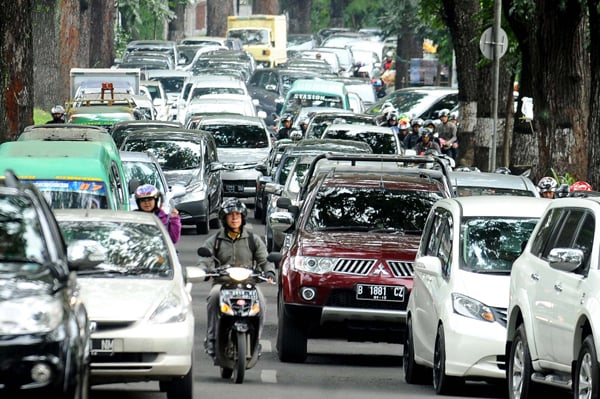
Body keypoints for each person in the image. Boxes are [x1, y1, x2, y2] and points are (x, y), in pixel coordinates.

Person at [201, 198, 276, 357]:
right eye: (230, 215)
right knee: (213, 298)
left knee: (261, 302)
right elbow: (204, 261)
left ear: (243, 218)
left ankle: (257, 341)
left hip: (248, 284)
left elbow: (265, 260)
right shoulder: (214, 241)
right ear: (224, 218)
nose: (234, 218)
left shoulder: (253, 240)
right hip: (223, 284)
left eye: (238, 215)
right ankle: (212, 340)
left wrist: (269, 272)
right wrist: (204, 271)